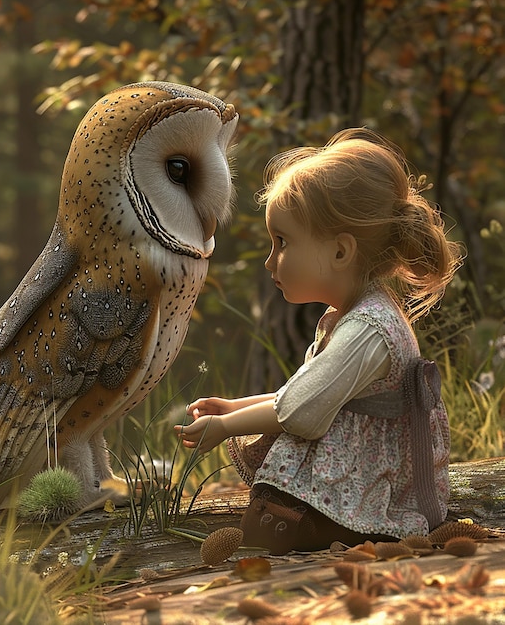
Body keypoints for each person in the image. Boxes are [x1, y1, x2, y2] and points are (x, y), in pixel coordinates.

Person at [174, 128, 464, 555]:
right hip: (357, 484)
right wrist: (235, 406)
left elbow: (302, 410)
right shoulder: (352, 317)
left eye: (283, 242)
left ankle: (329, 531)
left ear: (341, 252)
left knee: (268, 523)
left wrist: (225, 427)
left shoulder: (369, 328)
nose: (272, 261)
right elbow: (311, 394)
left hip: (370, 496)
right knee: (268, 516)